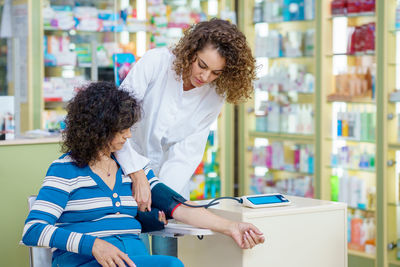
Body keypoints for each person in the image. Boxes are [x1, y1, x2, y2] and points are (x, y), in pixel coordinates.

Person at [21, 82, 264, 267]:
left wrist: (232, 226)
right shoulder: (65, 169)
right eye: (122, 129)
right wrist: (94, 245)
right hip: (89, 261)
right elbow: (33, 229)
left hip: (134, 260)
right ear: (97, 130)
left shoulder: (134, 168)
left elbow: (179, 207)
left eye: (129, 127)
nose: (128, 135)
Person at [115, 18, 256, 254]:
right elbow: (116, 122)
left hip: (169, 179)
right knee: (129, 251)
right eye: (201, 65)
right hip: (123, 165)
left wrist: (165, 199)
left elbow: (186, 153)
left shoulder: (214, 95)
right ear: (191, 49)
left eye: (216, 72)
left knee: (166, 247)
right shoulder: (156, 63)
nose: (205, 76)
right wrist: (136, 172)